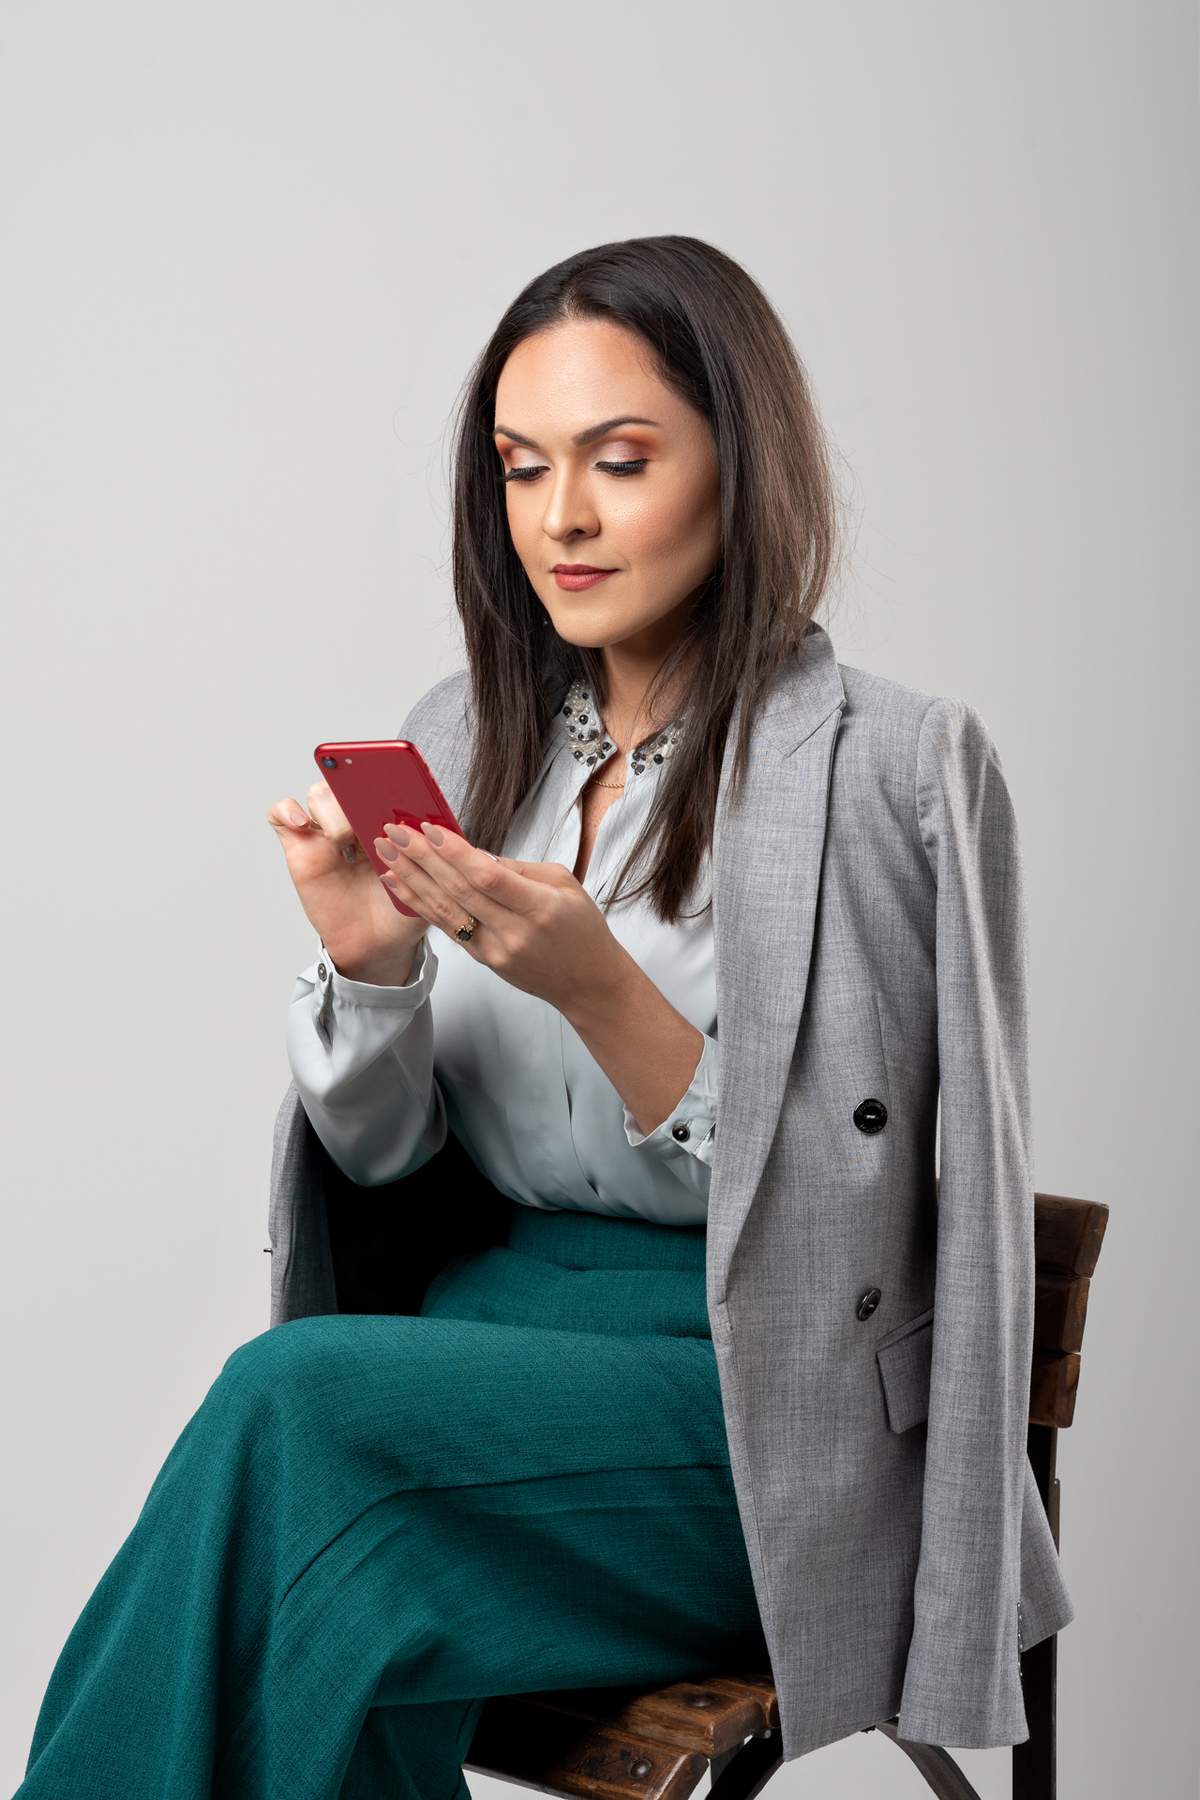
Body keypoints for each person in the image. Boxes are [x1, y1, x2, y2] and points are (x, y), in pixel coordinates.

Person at [17, 236, 1072, 1800]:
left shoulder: (893, 768)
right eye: (521, 468)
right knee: (325, 1585)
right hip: (484, 1357)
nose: (560, 517)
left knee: (298, 1416)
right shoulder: (466, 740)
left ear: (741, 463)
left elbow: (898, 1213)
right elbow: (392, 1175)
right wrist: (373, 973)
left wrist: (601, 991)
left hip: (756, 1414)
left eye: (619, 461)